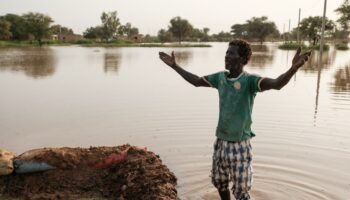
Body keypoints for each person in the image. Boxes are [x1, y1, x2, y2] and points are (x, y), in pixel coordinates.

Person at [158, 39, 310, 200]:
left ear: (242, 59)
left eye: (231, 53)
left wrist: (293, 68)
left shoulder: (250, 81)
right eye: (226, 53)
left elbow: (277, 84)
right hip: (221, 143)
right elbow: (196, 81)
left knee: (241, 192)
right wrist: (175, 66)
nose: (227, 56)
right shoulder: (220, 78)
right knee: (220, 182)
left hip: (240, 146)